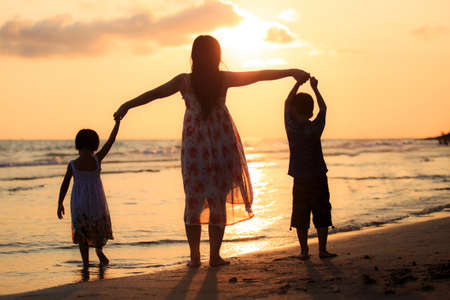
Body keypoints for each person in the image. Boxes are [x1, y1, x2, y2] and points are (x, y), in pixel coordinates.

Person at [114, 35, 310, 267]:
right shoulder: (222, 79)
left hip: (195, 149)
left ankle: (195, 258)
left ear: (194, 56)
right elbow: (259, 75)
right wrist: (291, 71)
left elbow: (153, 94)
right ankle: (214, 256)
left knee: (194, 202)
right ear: (217, 56)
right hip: (221, 145)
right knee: (217, 200)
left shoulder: (184, 81)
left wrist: (127, 105)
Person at [284, 76, 336, 260]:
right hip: (318, 176)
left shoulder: (291, 128)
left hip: (301, 178)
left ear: (294, 110)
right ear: (310, 111)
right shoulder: (315, 127)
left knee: (301, 215)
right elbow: (324, 108)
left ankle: (304, 251)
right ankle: (322, 250)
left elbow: (286, 103)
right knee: (322, 211)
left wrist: (297, 83)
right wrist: (315, 88)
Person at [57, 119, 120, 268]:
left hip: (79, 203)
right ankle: (99, 251)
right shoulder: (96, 160)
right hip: (96, 203)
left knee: (82, 234)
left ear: (78, 145)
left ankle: (85, 263)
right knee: (98, 230)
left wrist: (60, 203)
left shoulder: (73, 164)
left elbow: (64, 185)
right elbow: (111, 141)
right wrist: (117, 124)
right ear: (94, 145)